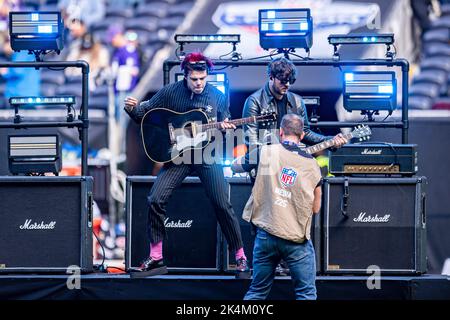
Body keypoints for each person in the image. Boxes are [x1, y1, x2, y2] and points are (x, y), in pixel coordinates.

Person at [124, 52, 250, 278]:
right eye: (195, 79)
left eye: (203, 79)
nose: (199, 83)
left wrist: (225, 127)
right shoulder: (170, 93)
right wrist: (132, 109)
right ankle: (156, 258)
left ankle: (240, 257)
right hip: (178, 156)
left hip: (206, 155)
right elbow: (145, 115)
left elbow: (225, 120)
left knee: (222, 204)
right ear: (185, 76)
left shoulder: (218, 96)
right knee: (155, 198)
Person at [242, 57, 346, 275]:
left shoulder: (297, 102)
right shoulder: (254, 102)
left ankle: (287, 260)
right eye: (282, 81)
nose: (287, 85)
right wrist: (278, 156)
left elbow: (305, 133)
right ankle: (265, 264)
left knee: (291, 209)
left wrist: (329, 141)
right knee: (265, 213)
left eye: (290, 81)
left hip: (290, 166)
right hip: (265, 165)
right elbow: (252, 142)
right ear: (271, 77)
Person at [232, 113, 322, 300]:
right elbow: (315, 208)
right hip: (295, 238)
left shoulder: (265, 151)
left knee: (257, 292)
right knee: (306, 294)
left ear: (281, 132)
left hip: (265, 235)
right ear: (302, 135)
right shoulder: (313, 165)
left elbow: (235, 166)